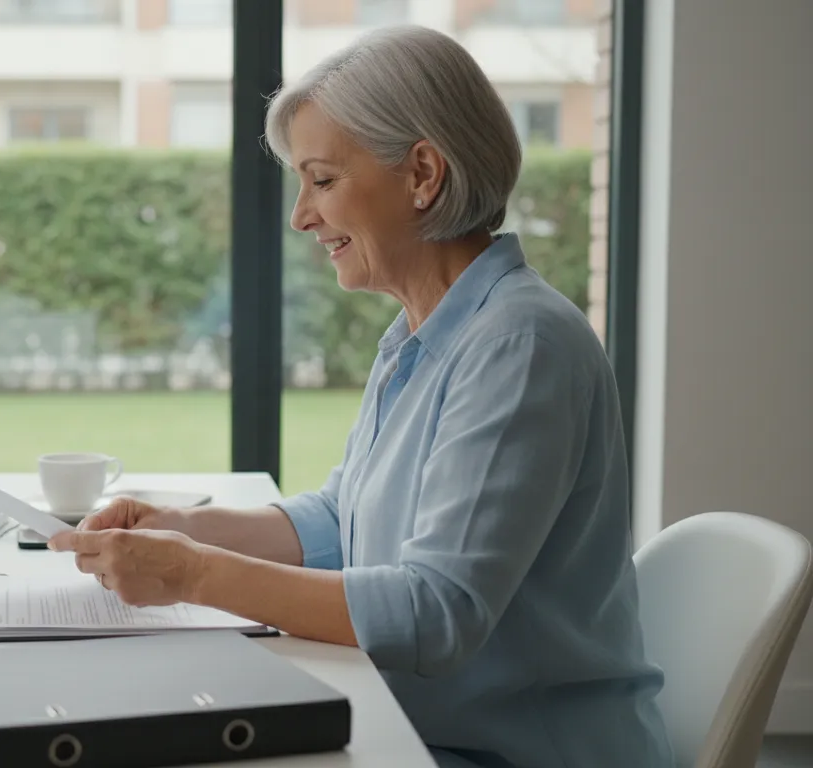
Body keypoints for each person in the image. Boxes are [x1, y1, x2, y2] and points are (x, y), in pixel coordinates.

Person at [47, 24, 675, 768]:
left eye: (322, 179)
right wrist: (187, 527)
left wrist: (191, 572)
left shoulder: (519, 345)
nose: (301, 216)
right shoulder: (427, 330)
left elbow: (436, 613)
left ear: (422, 174)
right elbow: (344, 519)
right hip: (424, 729)